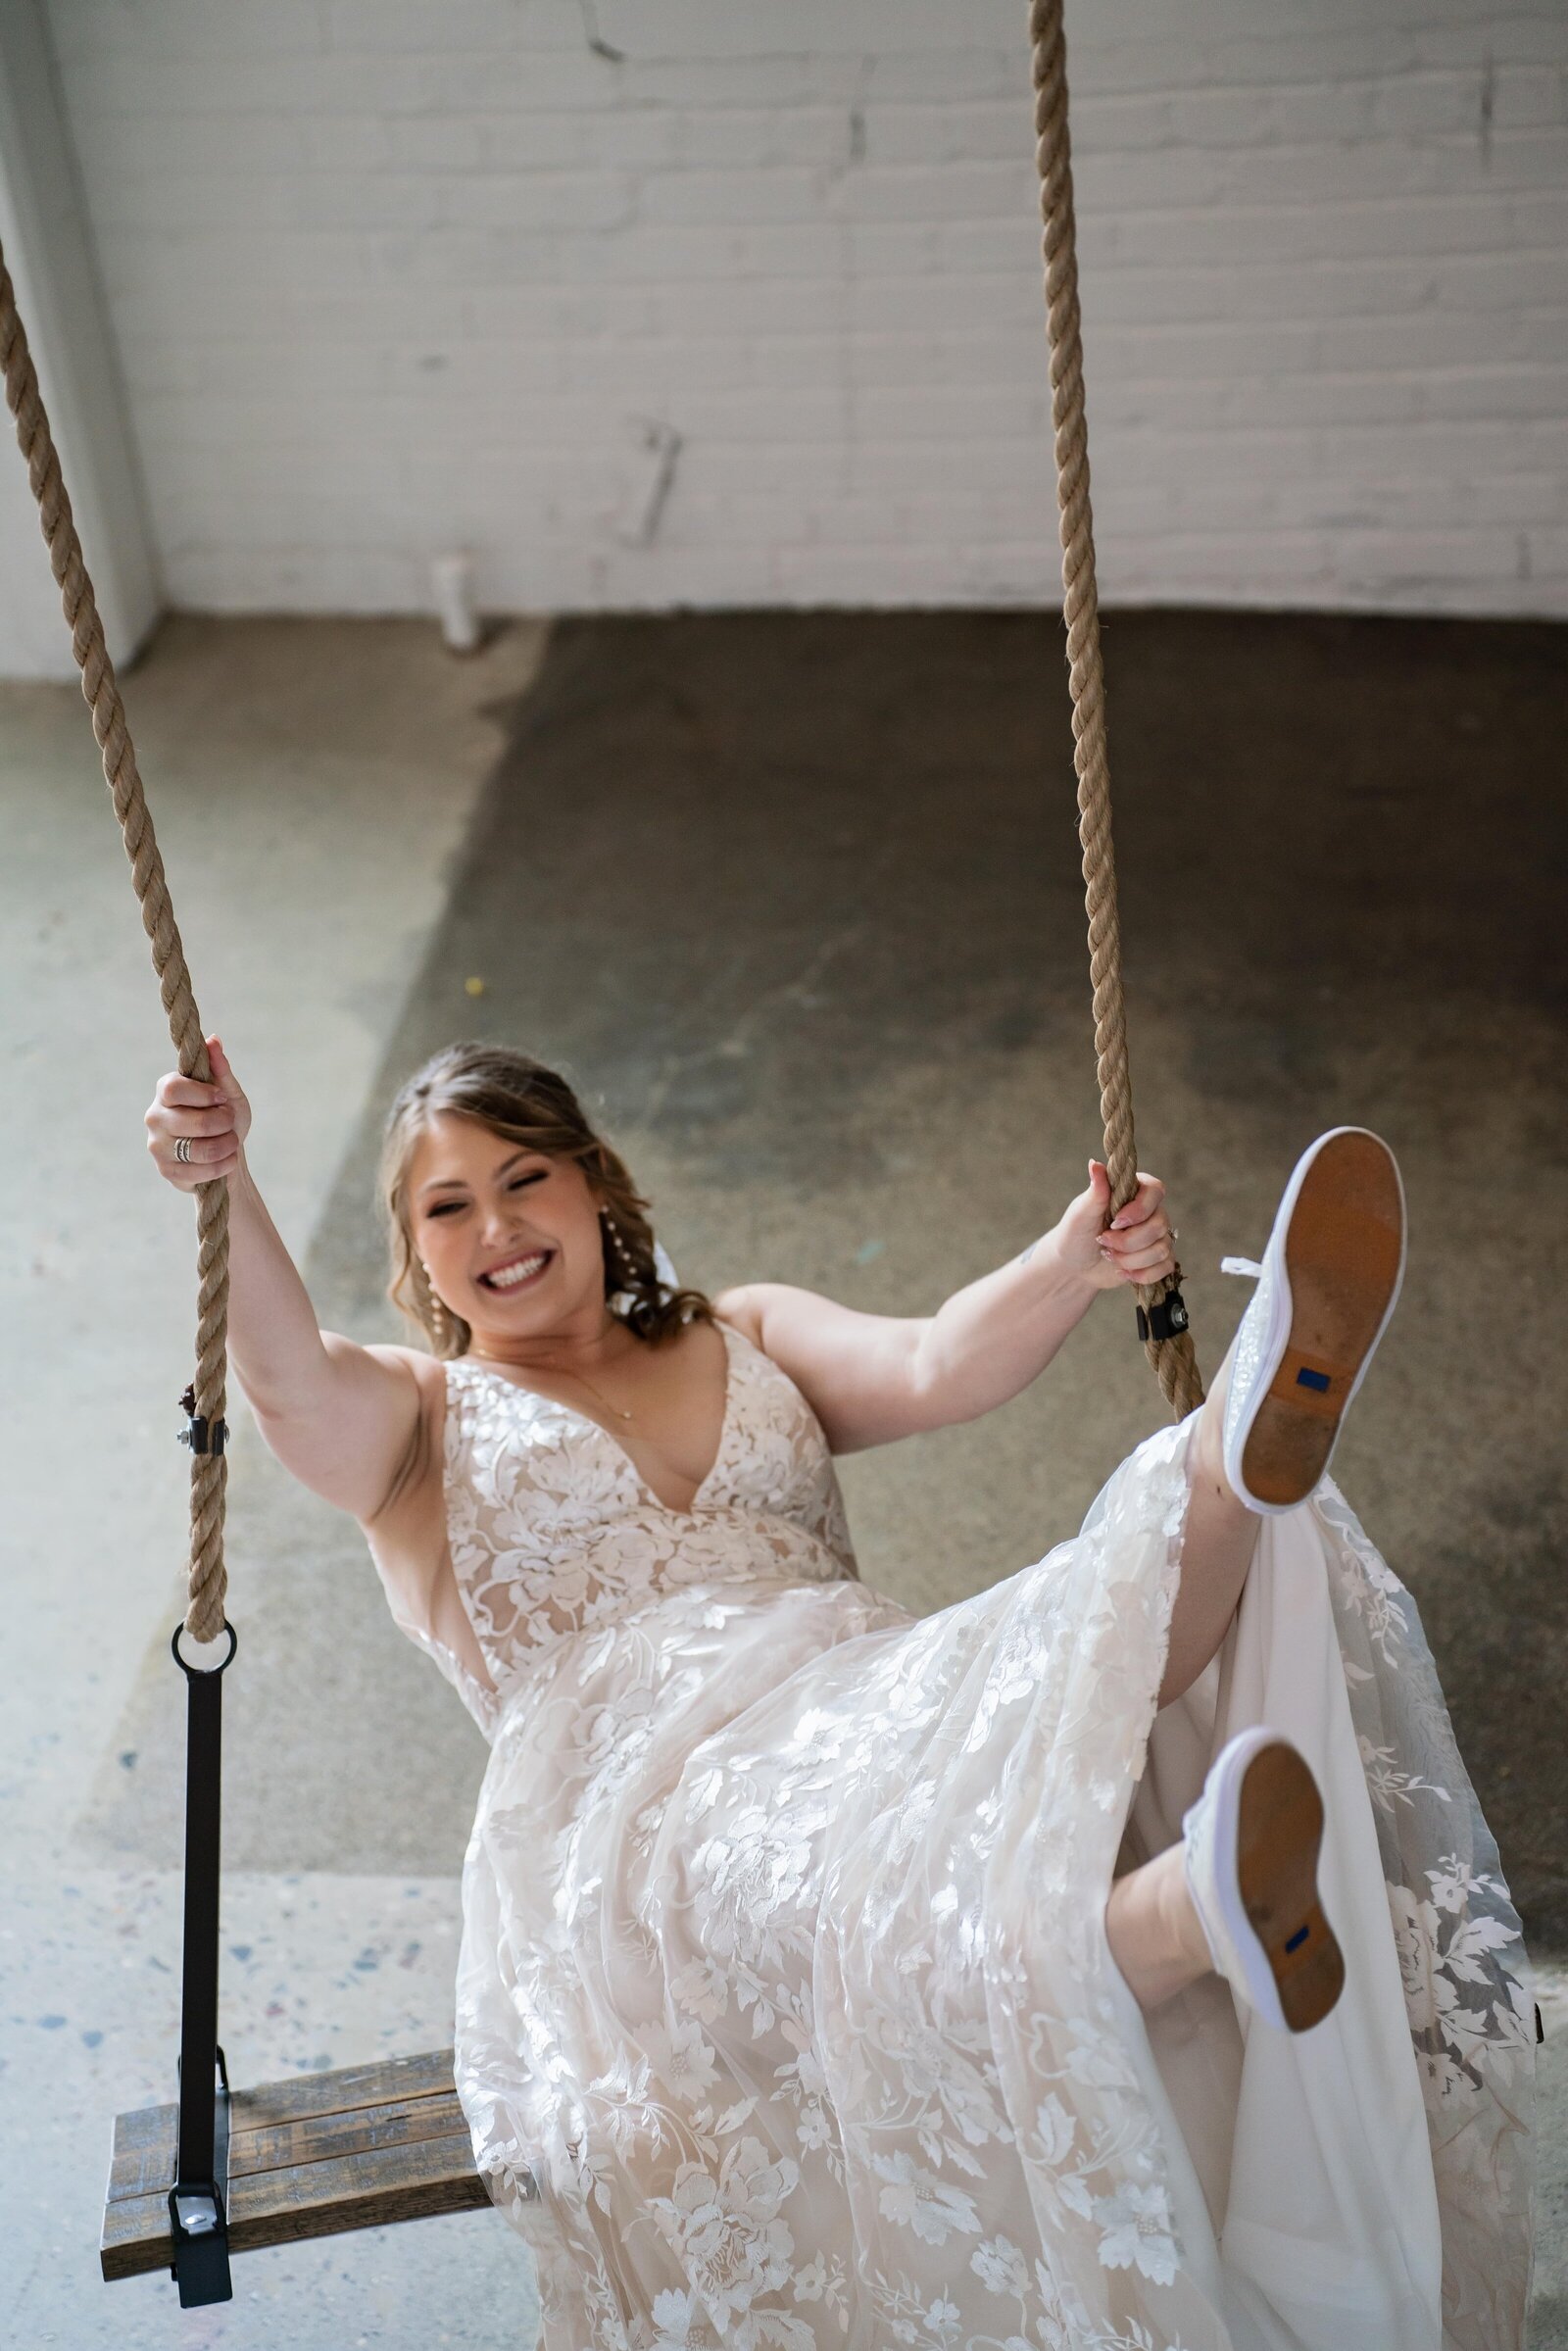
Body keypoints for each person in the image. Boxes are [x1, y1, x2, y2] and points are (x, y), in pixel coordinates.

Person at [145, 1039, 1534, 2351]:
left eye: (524, 1180)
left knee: (1044, 1654)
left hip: (858, 1695)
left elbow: (936, 1360)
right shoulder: (413, 1425)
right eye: (448, 1208)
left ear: (592, 1188)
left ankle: (1241, 1452)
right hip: (650, 1818)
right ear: (415, 1254)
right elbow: (282, 1380)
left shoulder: (739, 1332)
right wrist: (231, 1185)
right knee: (844, 1889)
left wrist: (1070, 1262)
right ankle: (1193, 1901)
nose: (497, 1227)